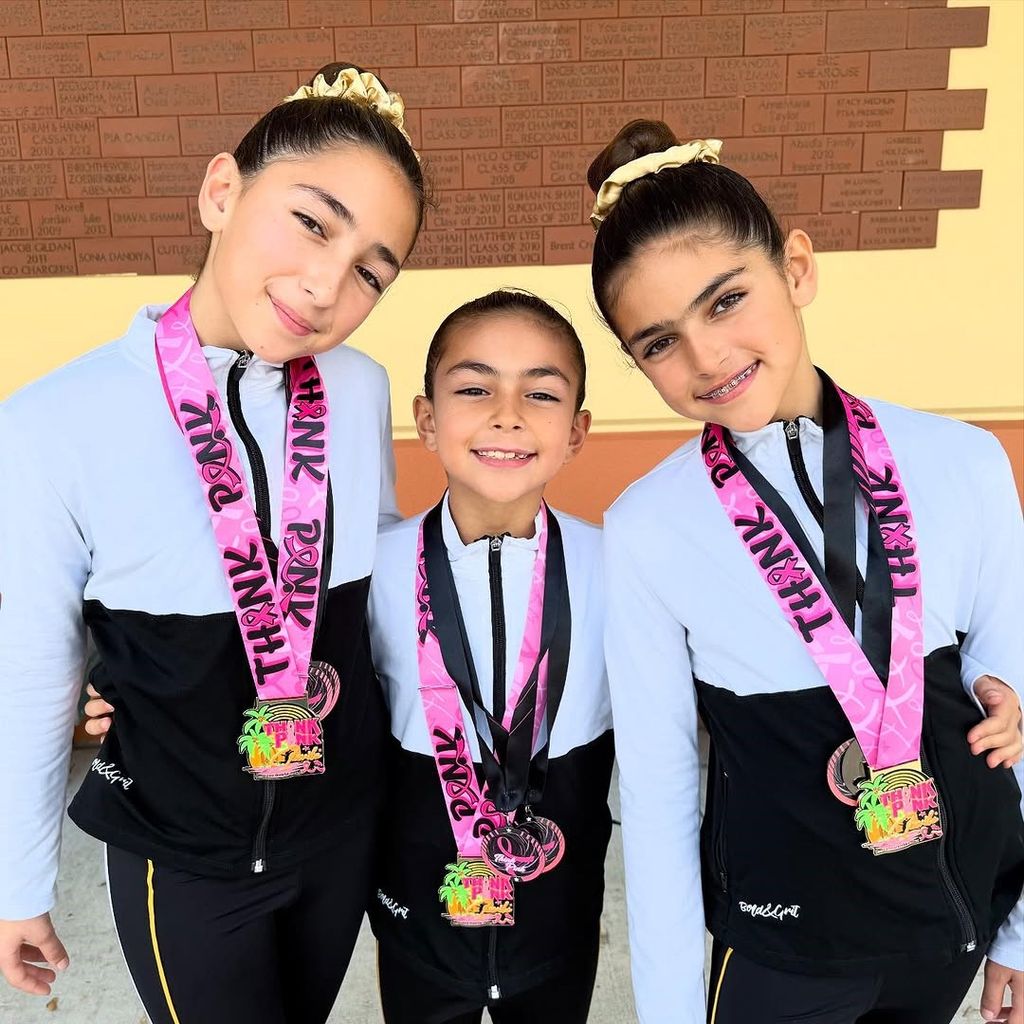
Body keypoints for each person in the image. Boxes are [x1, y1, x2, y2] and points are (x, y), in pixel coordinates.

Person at [0, 64, 426, 1024]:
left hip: (336, 830)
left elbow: (378, 575)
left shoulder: (358, 388)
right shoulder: (50, 424)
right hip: (181, 852)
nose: (327, 285)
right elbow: (34, 663)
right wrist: (16, 882)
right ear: (221, 191)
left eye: (371, 270)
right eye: (313, 222)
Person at [592, 120, 1024, 1024]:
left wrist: (1019, 928)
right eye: (658, 342)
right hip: (784, 948)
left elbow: (1014, 688)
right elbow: (662, 787)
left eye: (724, 301)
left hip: (949, 926)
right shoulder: (645, 528)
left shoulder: (965, 462)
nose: (706, 357)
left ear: (796, 269)